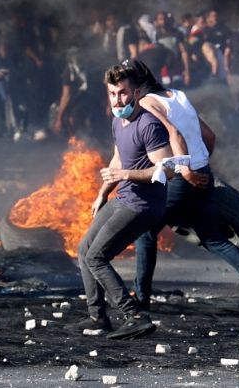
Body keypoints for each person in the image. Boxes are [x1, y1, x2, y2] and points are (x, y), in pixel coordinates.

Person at [128, 60, 239, 319]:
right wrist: (200, 167)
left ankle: (141, 298)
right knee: (213, 238)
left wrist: (185, 170)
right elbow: (209, 136)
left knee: (145, 230)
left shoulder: (146, 103)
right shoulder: (178, 96)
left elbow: (172, 133)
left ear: (135, 88)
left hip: (181, 176)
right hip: (203, 175)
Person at [70, 63, 173, 340]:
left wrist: (126, 174)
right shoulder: (118, 121)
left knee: (97, 256)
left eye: (123, 93)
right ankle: (97, 318)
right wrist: (103, 193)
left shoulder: (149, 124)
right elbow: (118, 159)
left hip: (144, 205)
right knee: (83, 250)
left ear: (136, 92)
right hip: (122, 197)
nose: (118, 100)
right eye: (113, 94)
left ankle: (135, 315)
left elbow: (167, 170)